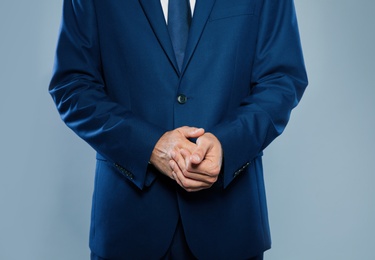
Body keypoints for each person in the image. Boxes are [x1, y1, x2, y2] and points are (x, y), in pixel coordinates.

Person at [49, 0, 307, 259]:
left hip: (230, 225)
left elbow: (282, 79)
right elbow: (72, 86)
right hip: (128, 226)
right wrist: (149, 145)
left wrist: (225, 144)